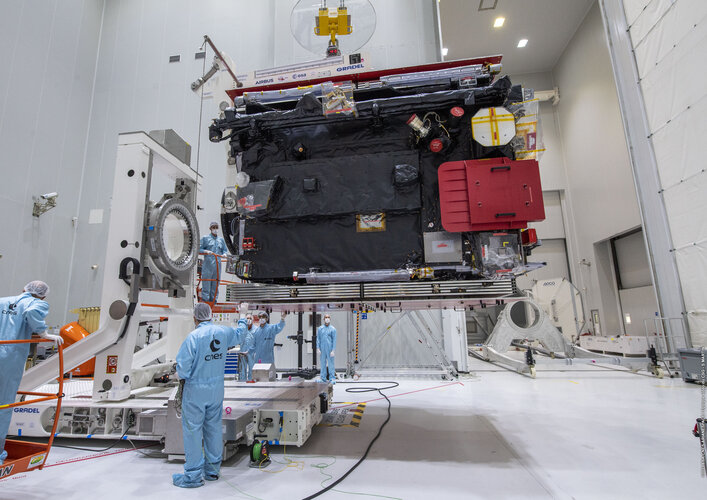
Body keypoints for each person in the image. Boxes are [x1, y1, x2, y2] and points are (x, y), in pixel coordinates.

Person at [172, 302, 248, 488]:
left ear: (195, 317)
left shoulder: (193, 337)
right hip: (216, 390)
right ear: (211, 315)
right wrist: (244, 315)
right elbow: (240, 335)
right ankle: (213, 471)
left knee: (193, 432)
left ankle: (192, 476)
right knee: (213, 429)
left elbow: (183, 369)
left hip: (195, 392)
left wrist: (177, 374)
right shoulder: (223, 332)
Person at [0, 281, 63, 465]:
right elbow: (31, 313)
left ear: (23, 289)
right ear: (43, 296)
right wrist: (44, 333)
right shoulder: (38, 303)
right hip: (10, 358)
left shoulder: (3, 301)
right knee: (3, 405)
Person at [199, 222, 228, 303]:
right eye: (213, 227)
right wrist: (205, 251)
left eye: (216, 227)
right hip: (208, 265)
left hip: (217, 265)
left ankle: (214, 301)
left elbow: (225, 250)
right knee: (206, 282)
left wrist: (225, 254)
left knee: (216, 283)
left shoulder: (221, 240)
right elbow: (198, 249)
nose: (215, 229)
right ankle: (205, 301)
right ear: (210, 228)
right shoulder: (205, 238)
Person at [317, 313, 337, 384]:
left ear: (330, 319)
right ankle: (323, 378)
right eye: (326, 317)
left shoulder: (333, 329)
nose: (327, 318)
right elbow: (318, 339)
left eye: (328, 317)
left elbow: (334, 340)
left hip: (330, 349)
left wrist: (333, 350)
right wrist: (318, 348)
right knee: (322, 363)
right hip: (322, 349)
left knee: (331, 363)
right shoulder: (320, 329)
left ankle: (332, 378)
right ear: (323, 319)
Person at [238, 314, 257, 382]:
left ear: (253, 320)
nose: (248, 320)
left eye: (250, 318)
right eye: (247, 318)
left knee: (252, 366)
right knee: (242, 367)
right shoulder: (242, 329)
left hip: (251, 352)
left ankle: (251, 380)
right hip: (243, 351)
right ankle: (242, 381)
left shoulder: (256, 329)